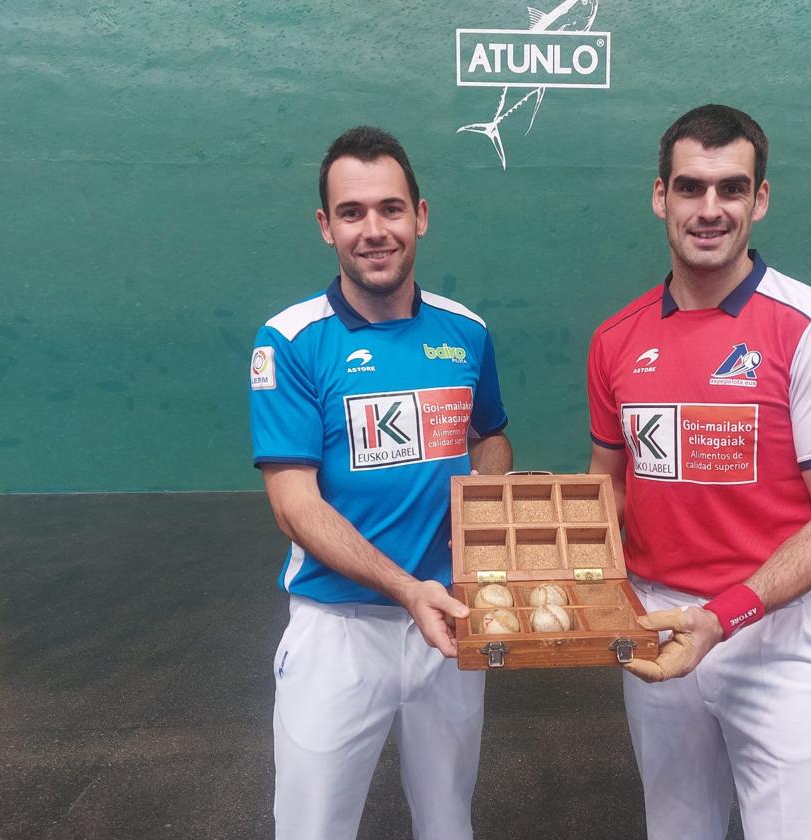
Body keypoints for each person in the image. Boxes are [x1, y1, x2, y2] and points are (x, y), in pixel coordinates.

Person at [586, 104, 811, 840]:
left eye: (731, 189)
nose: (709, 209)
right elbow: (605, 491)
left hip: (777, 634)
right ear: (661, 197)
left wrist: (723, 616)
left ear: (760, 199)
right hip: (656, 624)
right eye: (689, 187)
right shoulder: (615, 340)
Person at [249, 125, 512, 840]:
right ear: (325, 226)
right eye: (353, 212)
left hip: (451, 623)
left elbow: (491, 436)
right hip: (338, 632)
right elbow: (294, 505)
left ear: (420, 216)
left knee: (448, 823)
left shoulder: (466, 332)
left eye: (391, 209)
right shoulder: (290, 340)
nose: (375, 230)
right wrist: (405, 588)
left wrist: (483, 509)